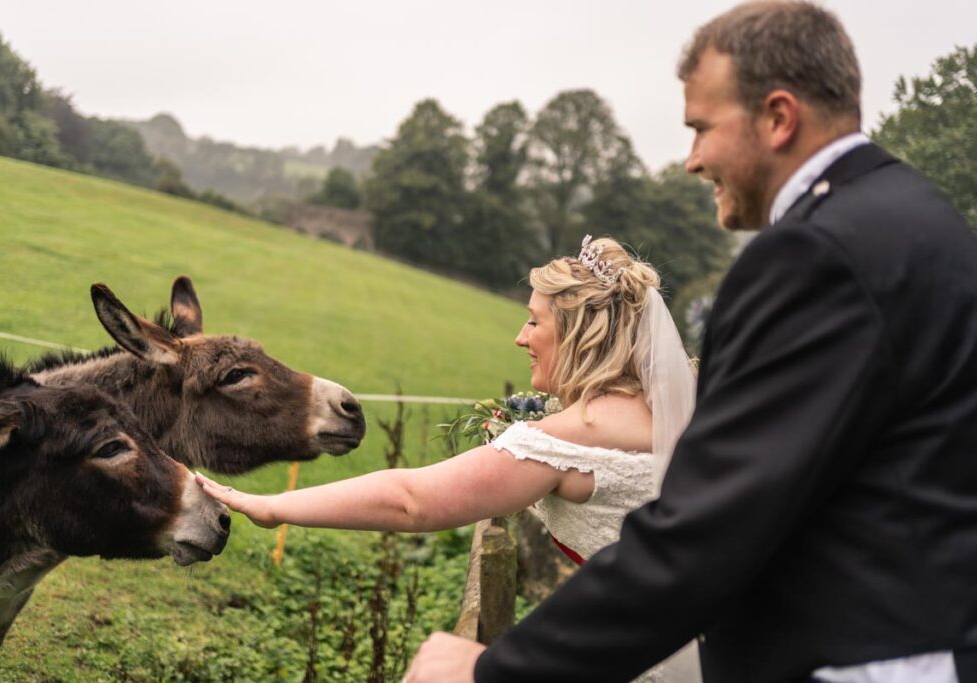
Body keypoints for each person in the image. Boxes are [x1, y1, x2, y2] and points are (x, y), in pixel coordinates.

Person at [402, 2, 977, 682]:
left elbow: (712, 527)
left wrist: (500, 669)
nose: (691, 160)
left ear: (778, 117)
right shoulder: (922, 220)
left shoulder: (813, 257)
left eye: (702, 128)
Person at [197, 238, 700, 682]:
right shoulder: (676, 405)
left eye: (534, 320)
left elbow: (411, 501)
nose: (521, 337)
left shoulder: (572, 435)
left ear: (578, 332)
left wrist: (269, 506)